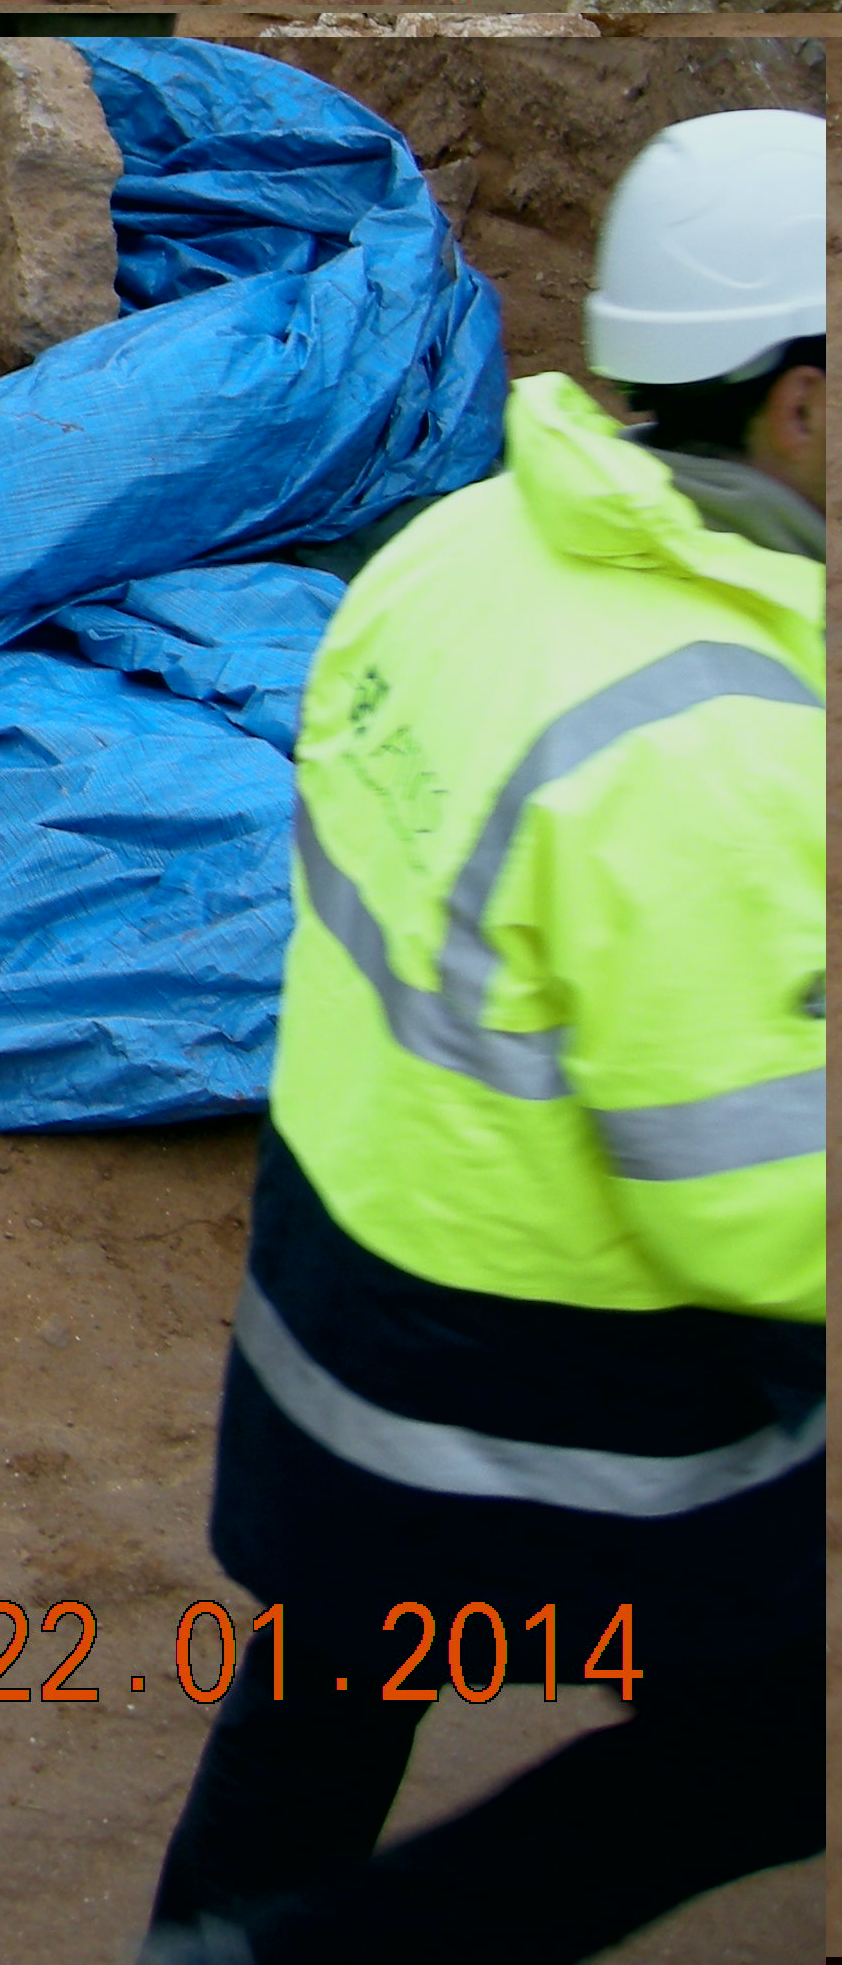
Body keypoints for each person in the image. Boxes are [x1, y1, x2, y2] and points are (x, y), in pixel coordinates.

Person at [140, 106, 827, 1965]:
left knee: (336, 1677)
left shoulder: (459, 550)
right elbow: (760, 1209)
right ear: (798, 403)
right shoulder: (719, 739)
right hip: (542, 1377)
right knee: (773, 1753)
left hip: (326, 1282)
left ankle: (206, 1943)